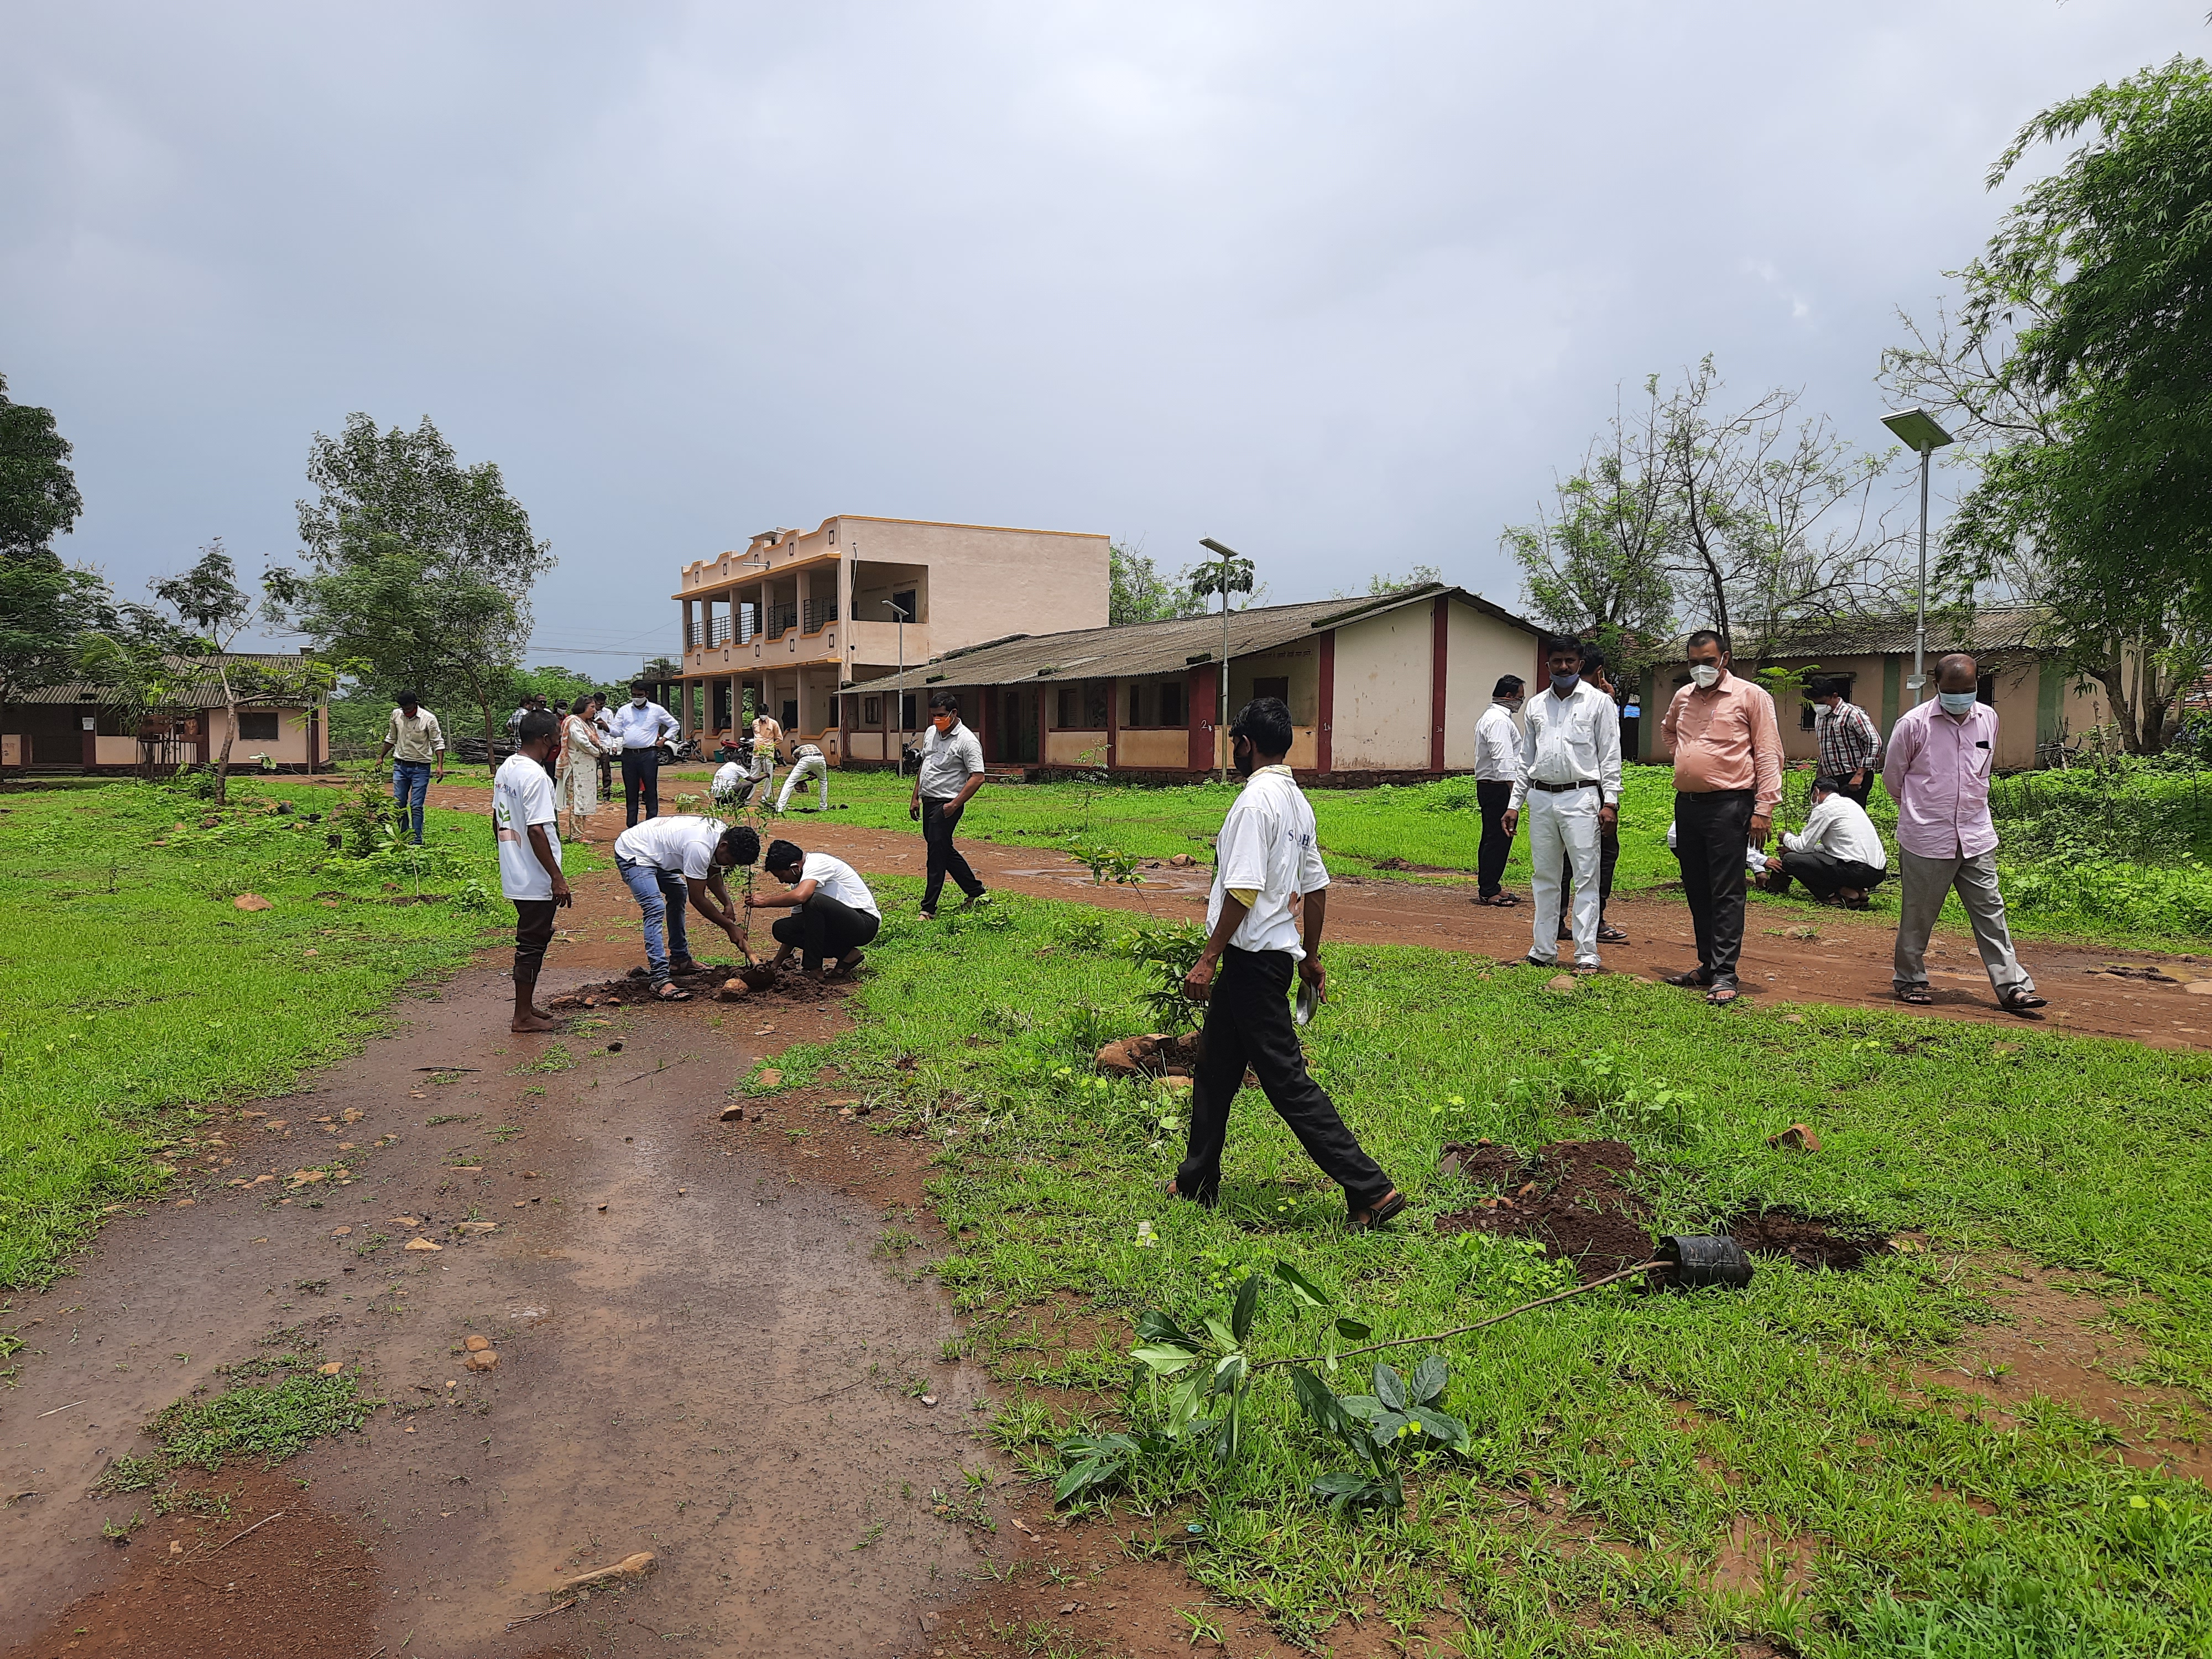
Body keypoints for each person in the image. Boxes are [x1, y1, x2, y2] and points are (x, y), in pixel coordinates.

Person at [1167, 697, 1404, 1231]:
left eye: (1234, 743)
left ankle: (1371, 1188)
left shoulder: (1255, 803)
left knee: (1287, 1081)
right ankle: (1196, 1179)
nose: (1233, 751)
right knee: (1214, 1071)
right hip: (1264, 960)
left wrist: (1207, 959)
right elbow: (1316, 887)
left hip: (1251, 962)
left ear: (1247, 745)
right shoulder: (1297, 802)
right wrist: (1310, 957)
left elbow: (1243, 889)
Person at [1885, 653, 2046, 1015]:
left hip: (1976, 835)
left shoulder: (1988, 718)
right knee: (1919, 914)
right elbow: (1893, 779)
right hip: (1927, 837)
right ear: (1936, 685)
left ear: (1977, 685)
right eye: (1953, 691)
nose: (1961, 697)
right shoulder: (1913, 724)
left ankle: (2013, 987)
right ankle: (1910, 980)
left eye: (1968, 690)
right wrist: (1921, 811)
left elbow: (1982, 772)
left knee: (1991, 912)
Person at [1660, 629, 1783, 1006]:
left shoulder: (1750, 696)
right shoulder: (1683, 696)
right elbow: (1668, 731)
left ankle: (1726, 971)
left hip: (1731, 804)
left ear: (1724, 659)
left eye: (1709, 662)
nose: (1701, 669)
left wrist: (1764, 808)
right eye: (1694, 663)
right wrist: (1688, 756)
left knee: (1726, 889)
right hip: (1688, 804)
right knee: (1696, 886)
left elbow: (1768, 752)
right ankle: (1708, 965)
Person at [1501, 638, 1622, 974]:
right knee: (1545, 875)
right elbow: (1526, 760)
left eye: (1570, 661)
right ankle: (1543, 949)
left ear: (1580, 664)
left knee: (1586, 876)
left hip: (1582, 797)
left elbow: (1610, 755)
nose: (1564, 667)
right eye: (1557, 661)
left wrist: (1610, 802)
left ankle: (1587, 954)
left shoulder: (1598, 703)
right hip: (1541, 797)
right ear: (1548, 665)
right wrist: (1514, 804)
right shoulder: (1537, 705)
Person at [611, 814, 757, 999]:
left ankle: (680, 961)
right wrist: (730, 927)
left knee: (678, 892)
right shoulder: (699, 846)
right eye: (729, 860)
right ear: (723, 846)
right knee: (654, 907)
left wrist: (727, 903)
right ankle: (659, 979)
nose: (730, 865)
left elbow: (712, 872)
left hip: (655, 851)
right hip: (635, 852)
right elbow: (697, 899)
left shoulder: (720, 835)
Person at [493, 709, 572, 1032]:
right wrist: (557, 878)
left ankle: (526, 1007)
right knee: (531, 944)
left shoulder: (507, 768)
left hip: (517, 869)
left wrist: (506, 855)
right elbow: (537, 830)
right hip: (535, 876)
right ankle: (522, 1017)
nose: (559, 741)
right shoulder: (538, 778)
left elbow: (497, 818)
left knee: (534, 938)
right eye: (557, 735)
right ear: (545, 738)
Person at [1558, 644, 1630, 945]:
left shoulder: (1554, 700)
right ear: (1600, 671)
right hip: (1595, 791)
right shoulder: (1601, 703)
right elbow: (1610, 754)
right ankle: (1594, 920)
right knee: (1602, 856)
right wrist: (1611, 801)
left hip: (1559, 791)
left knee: (1562, 857)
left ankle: (1556, 919)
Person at [747, 837, 880, 977]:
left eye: (781, 875)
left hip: (863, 924)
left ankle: (813, 969)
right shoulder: (799, 885)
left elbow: (801, 896)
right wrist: (775, 965)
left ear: (794, 868)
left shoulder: (817, 863)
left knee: (814, 902)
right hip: (838, 929)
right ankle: (847, 954)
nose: (781, 881)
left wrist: (766, 902)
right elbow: (800, 925)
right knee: (783, 929)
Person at [910, 690, 989, 920]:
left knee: (936, 855)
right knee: (942, 849)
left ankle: (928, 908)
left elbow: (978, 777)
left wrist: (954, 805)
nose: (937, 719)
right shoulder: (931, 733)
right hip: (929, 800)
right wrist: (915, 796)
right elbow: (925, 765)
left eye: (941, 715)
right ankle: (976, 892)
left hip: (947, 803)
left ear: (953, 713)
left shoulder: (967, 741)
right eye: (934, 715)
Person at [1760, 776, 1887, 906]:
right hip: (1878, 873)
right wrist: (1795, 848)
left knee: (1790, 859)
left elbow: (1804, 847)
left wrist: (1786, 837)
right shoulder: (1852, 805)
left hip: (1857, 870)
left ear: (1816, 791)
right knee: (1821, 860)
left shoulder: (1824, 808)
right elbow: (1838, 847)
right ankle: (1857, 890)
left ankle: (1834, 895)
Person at [1472, 675, 1525, 907]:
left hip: (1493, 786)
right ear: (1509, 696)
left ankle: (1492, 885)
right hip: (1498, 787)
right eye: (1520, 698)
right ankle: (1488, 890)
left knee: (1497, 837)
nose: (1521, 702)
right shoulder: (1499, 721)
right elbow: (1503, 758)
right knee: (1498, 837)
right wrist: (1514, 794)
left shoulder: (1494, 718)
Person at [377, 690, 445, 846]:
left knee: (416, 805)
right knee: (399, 804)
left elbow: (437, 742)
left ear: (416, 704)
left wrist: (440, 765)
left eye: (409, 709)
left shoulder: (428, 719)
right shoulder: (396, 715)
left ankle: (417, 840)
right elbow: (391, 738)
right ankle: (404, 837)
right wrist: (381, 757)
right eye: (404, 709)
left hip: (421, 767)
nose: (407, 712)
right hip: (400, 765)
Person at [608, 680, 679, 827]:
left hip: (648, 754)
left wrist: (663, 740)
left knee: (650, 789)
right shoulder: (624, 710)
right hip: (628, 755)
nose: (636, 698)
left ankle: (651, 824)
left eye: (639, 695)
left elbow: (674, 725)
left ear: (646, 694)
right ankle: (631, 825)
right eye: (634, 695)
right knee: (631, 790)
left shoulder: (656, 710)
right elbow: (616, 731)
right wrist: (605, 727)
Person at [1813, 679, 1883, 806]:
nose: (1819, 706)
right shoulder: (1820, 717)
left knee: (1851, 813)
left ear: (1834, 696)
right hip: (1831, 779)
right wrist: (1820, 775)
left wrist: (1860, 775)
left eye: (1822, 702)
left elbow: (1874, 742)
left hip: (1853, 776)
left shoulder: (1852, 714)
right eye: (1816, 703)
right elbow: (1825, 748)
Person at [554, 695, 612, 842]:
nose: (594, 710)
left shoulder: (587, 723)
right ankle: (576, 835)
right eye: (592, 707)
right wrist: (598, 752)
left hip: (586, 768)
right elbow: (582, 742)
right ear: (583, 707)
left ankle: (579, 833)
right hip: (575, 768)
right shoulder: (573, 721)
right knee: (577, 801)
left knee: (583, 800)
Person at [775, 738, 831, 813]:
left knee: (790, 782)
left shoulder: (795, 752)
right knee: (823, 781)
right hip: (820, 758)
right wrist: (815, 774)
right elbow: (812, 763)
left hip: (806, 759)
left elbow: (803, 765)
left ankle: (780, 808)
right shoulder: (810, 746)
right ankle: (823, 807)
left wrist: (809, 773)